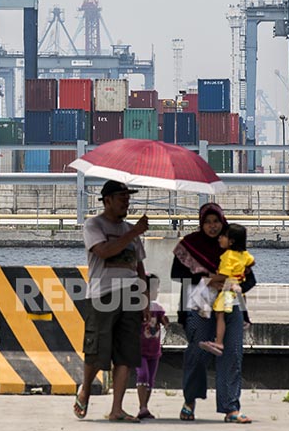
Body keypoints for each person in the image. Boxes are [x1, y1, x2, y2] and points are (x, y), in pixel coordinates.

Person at [170, 203, 254, 424]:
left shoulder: (233, 247)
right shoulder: (190, 245)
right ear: (201, 223)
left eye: (216, 221)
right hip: (199, 307)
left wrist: (232, 285)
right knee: (197, 353)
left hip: (230, 306)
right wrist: (206, 279)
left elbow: (250, 279)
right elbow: (176, 273)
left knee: (232, 353)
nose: (212, 226)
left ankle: (231, 407)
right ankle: (190, 401)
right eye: (207, 222)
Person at [73, 180, 149, 423]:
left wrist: (145, 300)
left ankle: (117, 408)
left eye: (128, 197)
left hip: (131, 296)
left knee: (126, 354)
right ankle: (85, 389)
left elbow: (140, 268)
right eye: (121, 197)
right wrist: (134, 232)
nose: (126, 202)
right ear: (107, 201)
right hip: (102, 295)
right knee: (96, 350)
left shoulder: (131, 230)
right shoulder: (94, 225)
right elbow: (103, 251)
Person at [199, 224, 255, 356]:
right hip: (235, 293)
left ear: (231, 241)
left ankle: (218, 342)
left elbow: (223, 276)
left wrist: (208, 279)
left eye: (223, 236)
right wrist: (243, 269)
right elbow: (251, 263)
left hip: (228, 292)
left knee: (220, 315)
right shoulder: (243, 254)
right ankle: (242, 321)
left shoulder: (227, 256)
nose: (219, 238)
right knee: (222, 313)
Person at [135, 273, 169, 420]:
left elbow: (163, 320)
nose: (157, 291)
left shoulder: (157, 307)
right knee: (143, 375)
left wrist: (166, 321)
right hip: (139, 350)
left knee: (151, 379)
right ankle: (142, 406)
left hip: (154, 350)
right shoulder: (136, 307)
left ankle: (145, 406)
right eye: (155, 288)